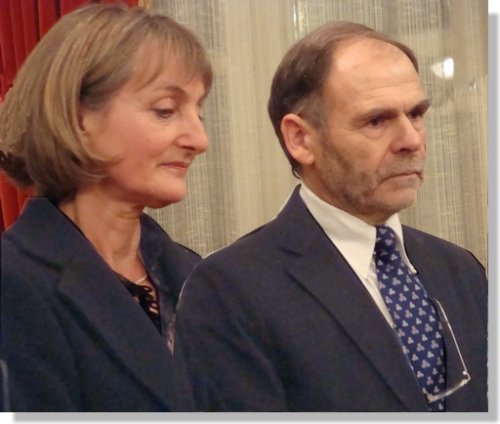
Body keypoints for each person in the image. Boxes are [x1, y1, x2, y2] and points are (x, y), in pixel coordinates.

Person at [174, 21, 488, 412]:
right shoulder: (231, 291)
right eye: (376, 120)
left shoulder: (460, 270)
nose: (411, 140)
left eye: (416, 114)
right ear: (301, 139)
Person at [0, 3, 212, 412]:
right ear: (79, 118)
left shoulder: (194, 274)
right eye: (165, 111)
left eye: (198, 113)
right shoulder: (14, 285)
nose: (199, 139)